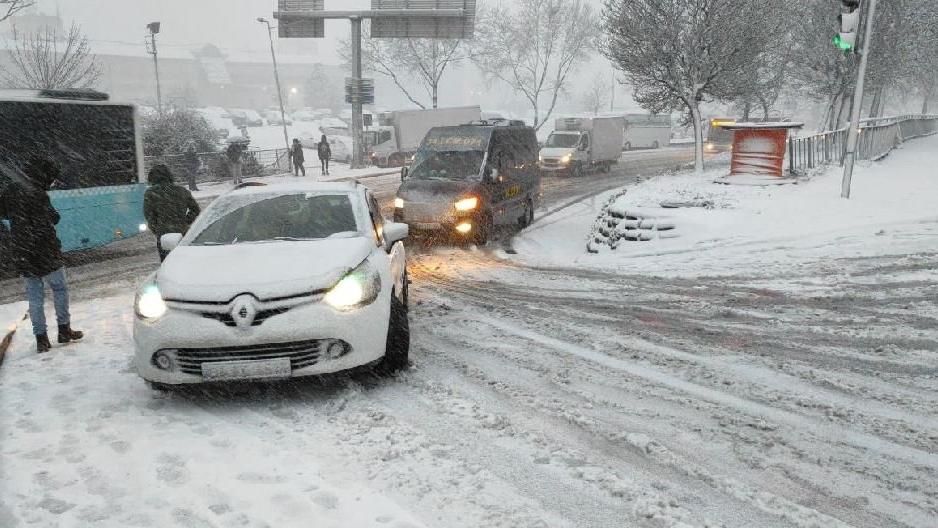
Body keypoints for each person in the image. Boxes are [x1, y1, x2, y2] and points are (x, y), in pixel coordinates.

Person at [0, 158, 83, 353]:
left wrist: (19, 221)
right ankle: (64, 330)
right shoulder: (38, 193)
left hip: (23, 251)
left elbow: (3, 213)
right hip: (45, 250)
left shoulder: (11, 191)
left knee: (35, 297)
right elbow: (53, 218)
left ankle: (41, 339)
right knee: (59, 289)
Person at [143, 164, 201, 262]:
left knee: (166, 263)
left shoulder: (151, 193)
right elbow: (195, 209)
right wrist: (186, 221)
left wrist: (156, 229)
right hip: (182, 232)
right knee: (182, 261)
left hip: (164, 234)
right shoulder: (182, 190)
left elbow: (149, 214)